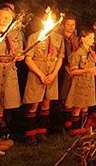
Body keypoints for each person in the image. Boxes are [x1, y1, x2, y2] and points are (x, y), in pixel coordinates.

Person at [22, 12, 65, 145]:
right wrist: (40, 74)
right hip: (37, 72)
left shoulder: (58, 38)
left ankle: (42, 132)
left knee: (46, 103)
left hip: (51, 72)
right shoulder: (35, 37)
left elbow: (60, 57)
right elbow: (28, 58)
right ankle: (31, 134)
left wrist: (53, 74)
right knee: (34, 103)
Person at [0, 4, 23, 152]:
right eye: (4, 16)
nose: (7, 18)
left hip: (7, 73)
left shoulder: (15, 34)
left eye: (9, 17)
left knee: (0, 109)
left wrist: (20, 56)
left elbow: (19, 52)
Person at [65, 29, 96, 135]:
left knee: (86, 105)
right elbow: (73, 71)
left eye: (93, 38)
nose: (92, 40)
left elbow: (92, 70)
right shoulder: (77, 53)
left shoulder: (91, 53)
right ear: (83, 39)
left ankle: (83, 127)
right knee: (78, 106)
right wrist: (86, 70)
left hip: (89, 83)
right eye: (90, 38)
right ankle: (74, 129)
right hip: (80, 82)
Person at [58, 14, 79, 132]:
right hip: (63, 71)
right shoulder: (59, 38)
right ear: (63, 25)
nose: (71, 27)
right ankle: (62, 124)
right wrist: (67, 69)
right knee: (63, 96)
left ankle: (71, 122)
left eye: (73, 25)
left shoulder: (76, 38)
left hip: (74, 70)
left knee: (72, 96)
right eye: (68, 24)